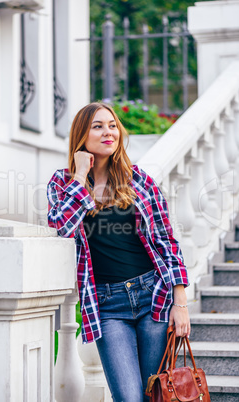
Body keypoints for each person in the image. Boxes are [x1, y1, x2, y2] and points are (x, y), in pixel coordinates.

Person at [47, 102, 190, 402]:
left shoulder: (139, 180)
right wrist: (81, 176)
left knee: (156, 394)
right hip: (107, 306)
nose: (108, 132)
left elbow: (166, 241)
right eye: (97, 126)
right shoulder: (63, 183)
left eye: (112, 125)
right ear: (81, 136)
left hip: (154, 297)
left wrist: (181, 303)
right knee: (128, 397)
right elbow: (62, 227)